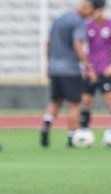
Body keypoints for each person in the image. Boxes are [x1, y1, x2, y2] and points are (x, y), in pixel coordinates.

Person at [40, 0, 96, 148]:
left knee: (55, 101)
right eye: (91, 12)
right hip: (70, 69)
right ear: (86, 8)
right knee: (74, 104)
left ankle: (46, 126)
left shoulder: (59, 19)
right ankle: (72, 138)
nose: (90, 16)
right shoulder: (78, 22)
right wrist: (88, 66)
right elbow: (77, 45)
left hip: (54, 67)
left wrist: (49, 64)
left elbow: (48, 43)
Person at [80, 0, 111, 130]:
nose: (97, 13)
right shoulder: (87, 26)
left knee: (110, 99)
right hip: (91, 71)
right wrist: (87, 67)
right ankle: (84, 130)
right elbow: (81, 47)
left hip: (105, 70)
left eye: (99, 9)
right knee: (86, 100)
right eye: (95, 10)